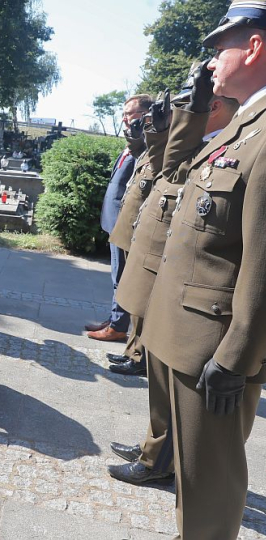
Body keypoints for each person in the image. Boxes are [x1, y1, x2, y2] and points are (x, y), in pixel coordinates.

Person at [138, 3, 266, 536]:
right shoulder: (241, 124)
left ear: (255, 47)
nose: (212, 61)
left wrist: (236, 356)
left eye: (222, 48)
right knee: (191, 490)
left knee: (209, 495)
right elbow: (173, 174)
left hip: (211, 344)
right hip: (181, 332)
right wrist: (194, 109)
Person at [108, 64, 241, 487]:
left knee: (166, 375)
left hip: (189, 276)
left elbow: (173, 172)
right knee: (158, 375)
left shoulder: (224, 143)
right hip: (165, 265)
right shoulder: (203, 142)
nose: (185, 112)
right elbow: (165, 167)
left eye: (194, 105)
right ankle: (154, 446)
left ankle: (158, 458)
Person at [106, 98, 170, 376]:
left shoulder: (165, 146)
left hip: (142, 230)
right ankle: (132, 350)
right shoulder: (147, 147)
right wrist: (134, 133)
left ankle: (139, 355)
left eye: (133, 116)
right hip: (131, 227)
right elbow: (141, 152)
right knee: (132, 294)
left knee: (140, 297)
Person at [86, 94, 152, 342]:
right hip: (113, 219)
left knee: (121, 277)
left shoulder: (147, 144)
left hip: (125, 222)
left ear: (145, 114)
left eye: (130, 113)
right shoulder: (132, 141)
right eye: (123, 114)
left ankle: (118, 326)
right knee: (116, 273)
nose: (125, 118)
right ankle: (115, 319)